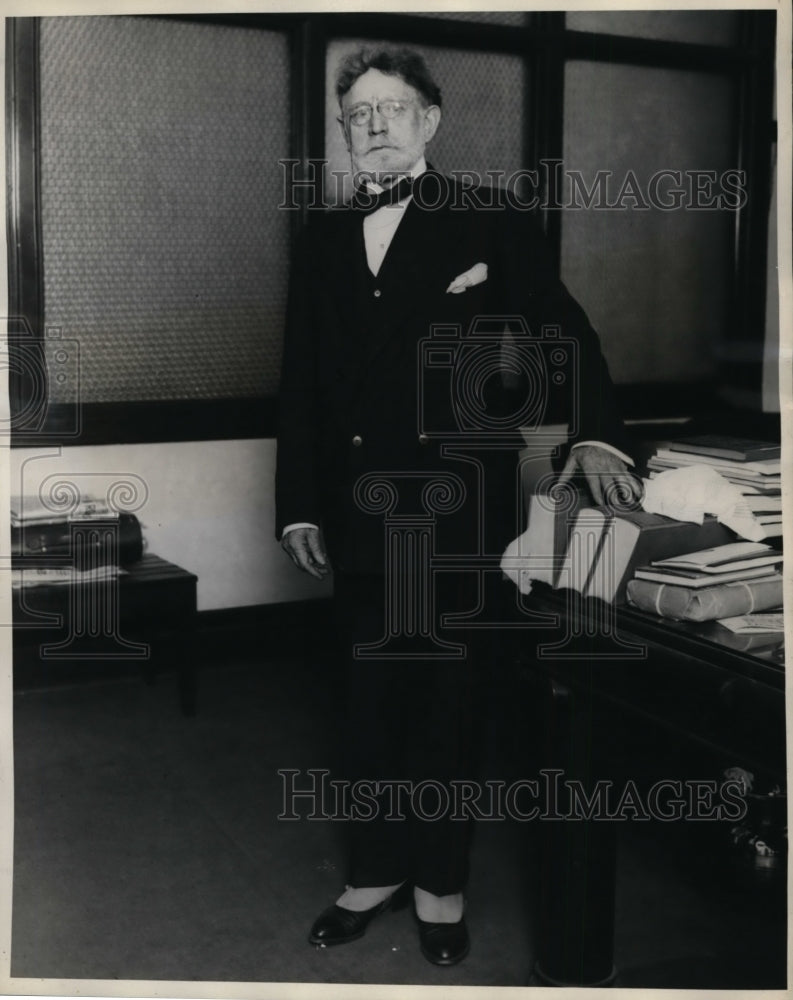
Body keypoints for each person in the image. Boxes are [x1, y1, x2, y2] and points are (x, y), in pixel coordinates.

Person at [276, 46, 641, 966]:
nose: (373, 127)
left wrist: (594, 434)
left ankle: (439, 886)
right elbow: (302, 385)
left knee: (446, 703)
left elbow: (564, 328)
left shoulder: (489, 218)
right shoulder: (320, 238)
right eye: (356, 114)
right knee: (364, 700)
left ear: (431, 120)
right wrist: (299, 507)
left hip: (453, 512)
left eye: (391, 109)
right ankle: (373, 872)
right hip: (359, 513)